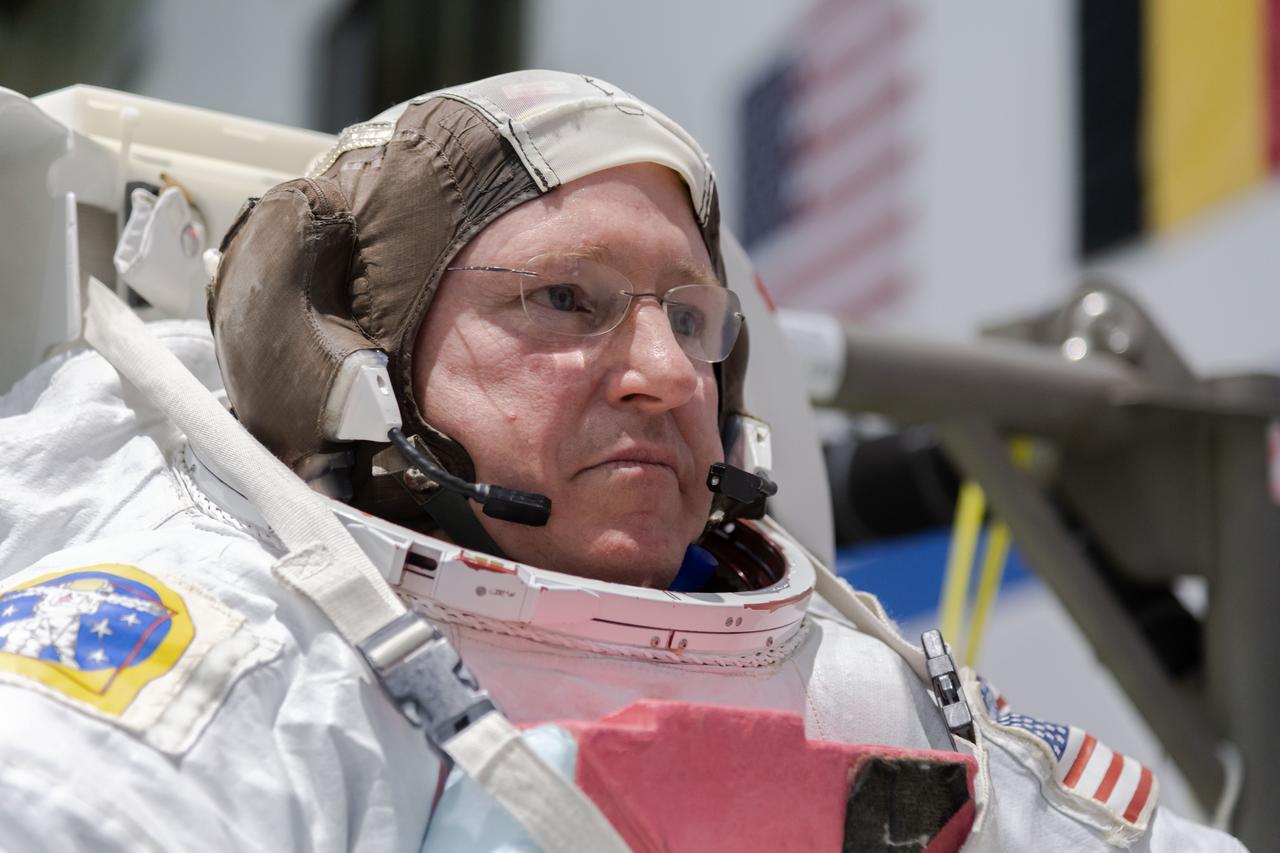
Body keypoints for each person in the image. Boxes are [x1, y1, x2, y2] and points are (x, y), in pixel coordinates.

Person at [0, 70, 1244, 851]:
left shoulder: (864, 689)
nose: (663, 372)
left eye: (691, 319)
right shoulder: (242, 659)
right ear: (355, 361)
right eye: (562, 299)